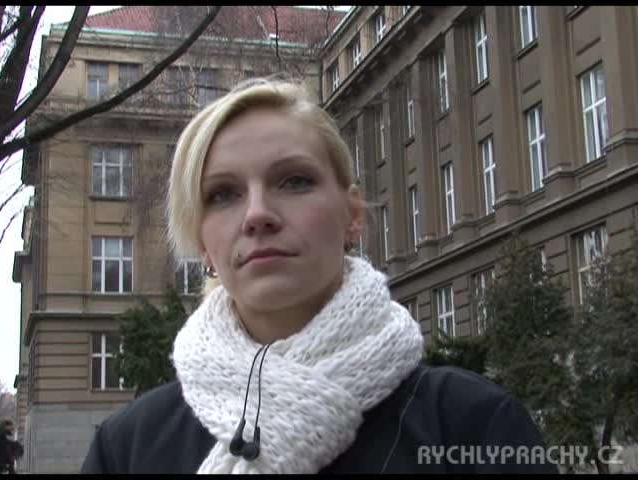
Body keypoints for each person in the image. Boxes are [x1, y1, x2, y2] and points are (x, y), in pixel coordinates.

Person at [80, 77, 558, 474]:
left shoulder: (471, 425)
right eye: (223, 194)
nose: (257, 214)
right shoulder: (128, 448)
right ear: (203, 243)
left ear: (352, 215)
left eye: (295, 181)